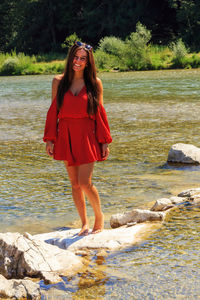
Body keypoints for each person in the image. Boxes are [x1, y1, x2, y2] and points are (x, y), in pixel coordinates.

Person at [43, 41, 112, 236]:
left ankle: (99, 217)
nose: (78, 61)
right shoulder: (58, 81)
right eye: (76, 57)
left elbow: (100, 113)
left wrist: (104, 140)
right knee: (74, 184)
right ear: (70, 57)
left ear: (88, 62)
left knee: (85, 182)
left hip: (87, 135)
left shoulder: (94, 83)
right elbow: (53, 111)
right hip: (65, 134)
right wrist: (50, 138)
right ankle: (84, 223)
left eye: (83, 58)